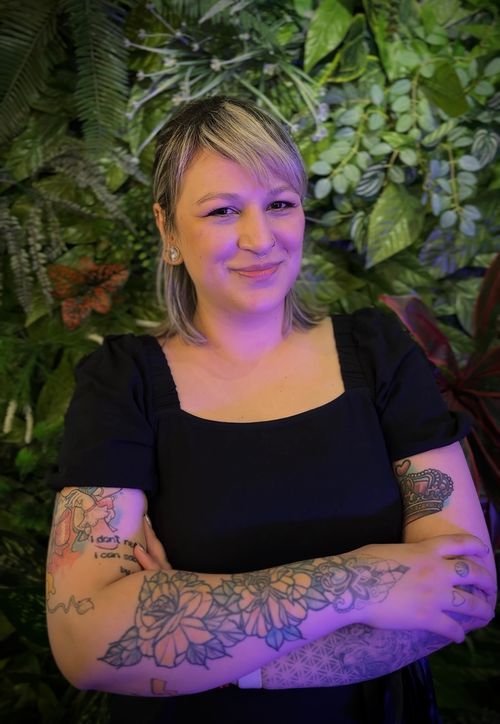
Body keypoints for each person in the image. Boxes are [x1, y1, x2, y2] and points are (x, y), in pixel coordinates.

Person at [45, 95, 496, 724]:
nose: (260, 239)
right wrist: (366, 577)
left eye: (280, 204)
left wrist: (198, 649)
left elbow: (465, 592)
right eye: (223, 210)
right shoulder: (122, 383)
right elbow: (86, 643)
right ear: (168, 229)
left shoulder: (380, 353)